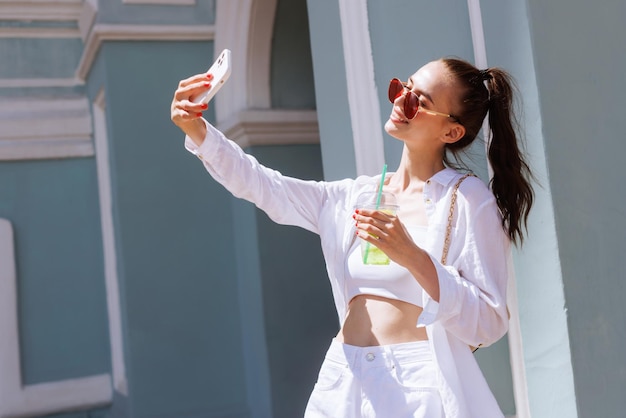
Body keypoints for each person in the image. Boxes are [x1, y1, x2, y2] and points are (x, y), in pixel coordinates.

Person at [171, 57, 534, 418]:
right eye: (401, 88)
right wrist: (198, 130)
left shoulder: (468, 201)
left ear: (451, 132)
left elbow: (489, 319)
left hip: (412, 386)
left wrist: (413, 257)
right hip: (341, 378)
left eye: (418, 101)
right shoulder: (356, 196)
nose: (400, 101)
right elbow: (267, 187)